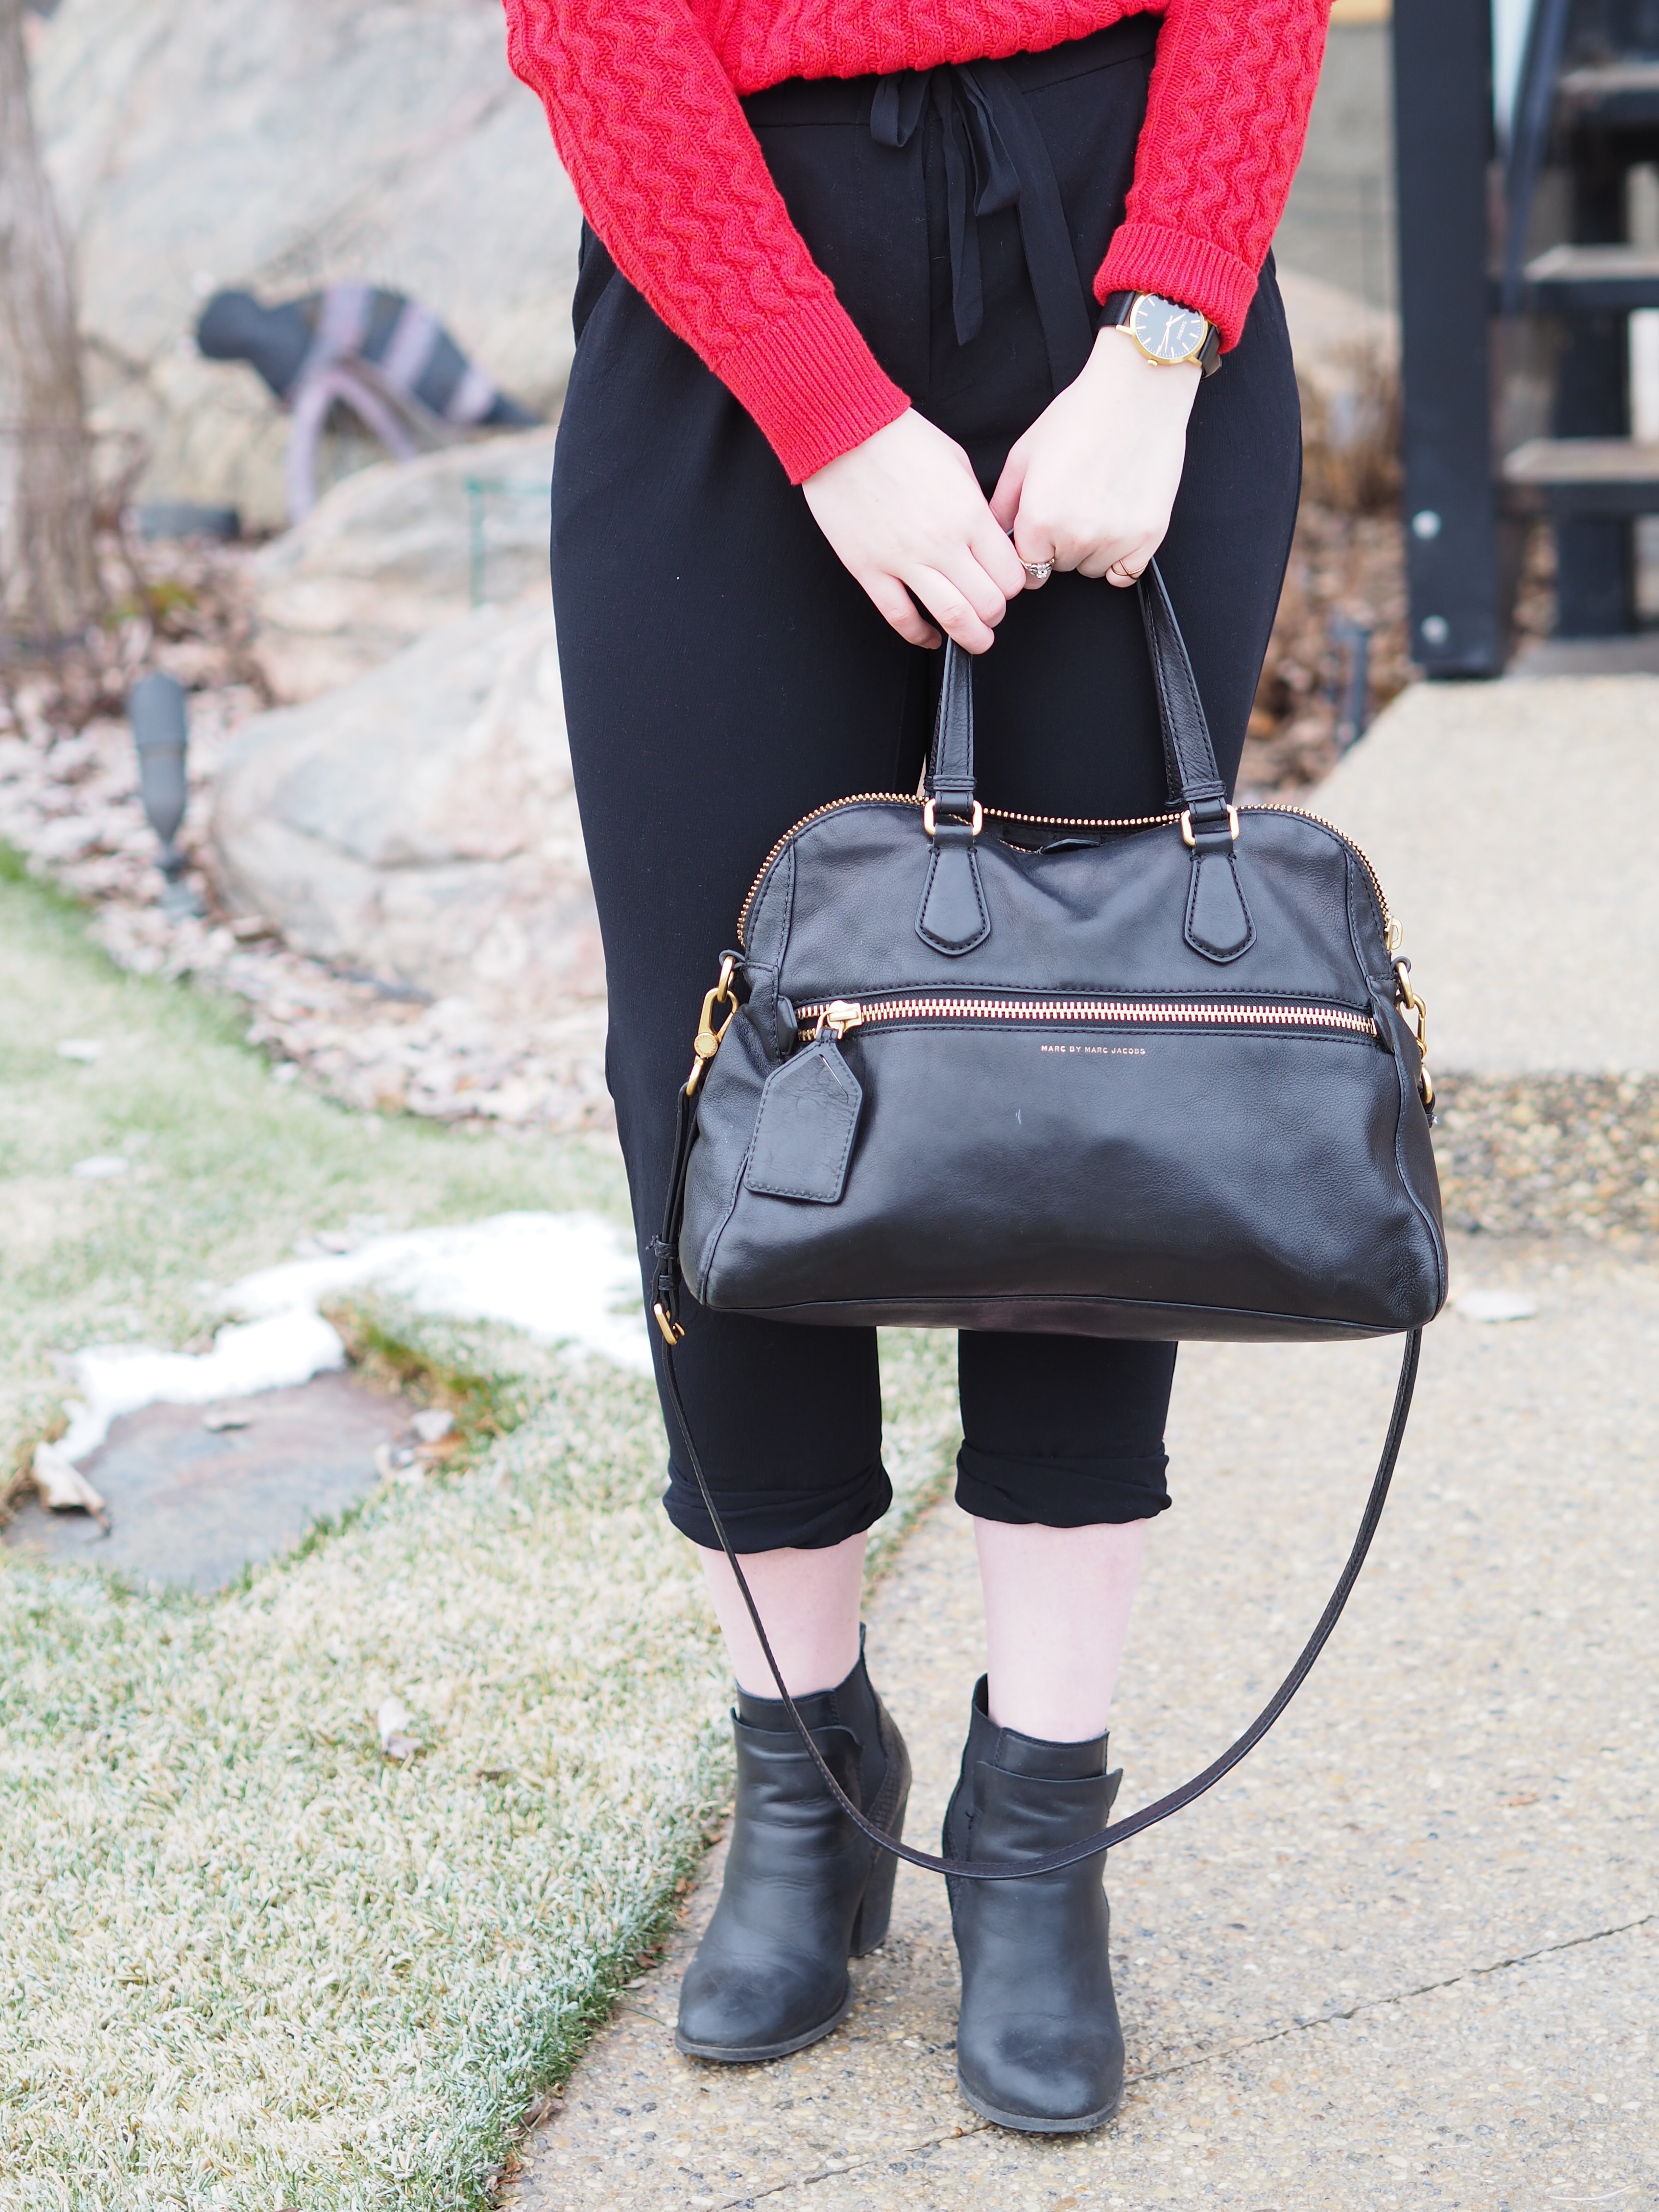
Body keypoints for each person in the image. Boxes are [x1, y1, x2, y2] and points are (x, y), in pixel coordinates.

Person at [507, 0, 1326, 2134]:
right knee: (711, 1061)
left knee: (1093, 1067)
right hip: (725, 282)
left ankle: (1039, 1820)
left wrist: (1159, 340)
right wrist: (822, 407)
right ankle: (803, 1760)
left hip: (1117, 271)